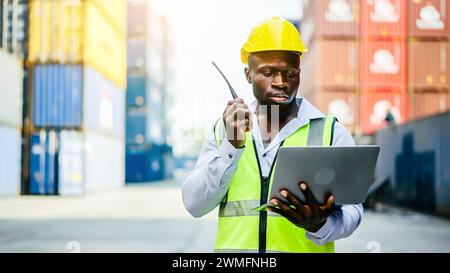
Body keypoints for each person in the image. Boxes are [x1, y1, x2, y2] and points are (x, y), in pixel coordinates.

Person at [182, 17, 362, 253]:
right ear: (248, 75)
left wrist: (321, 225)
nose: (280, 82)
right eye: (268, 72)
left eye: (289, 73)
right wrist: (231, 147)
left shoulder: (330, 132)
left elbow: (353, 211)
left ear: (299, 72)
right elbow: (194, 204)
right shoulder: (223, 130)